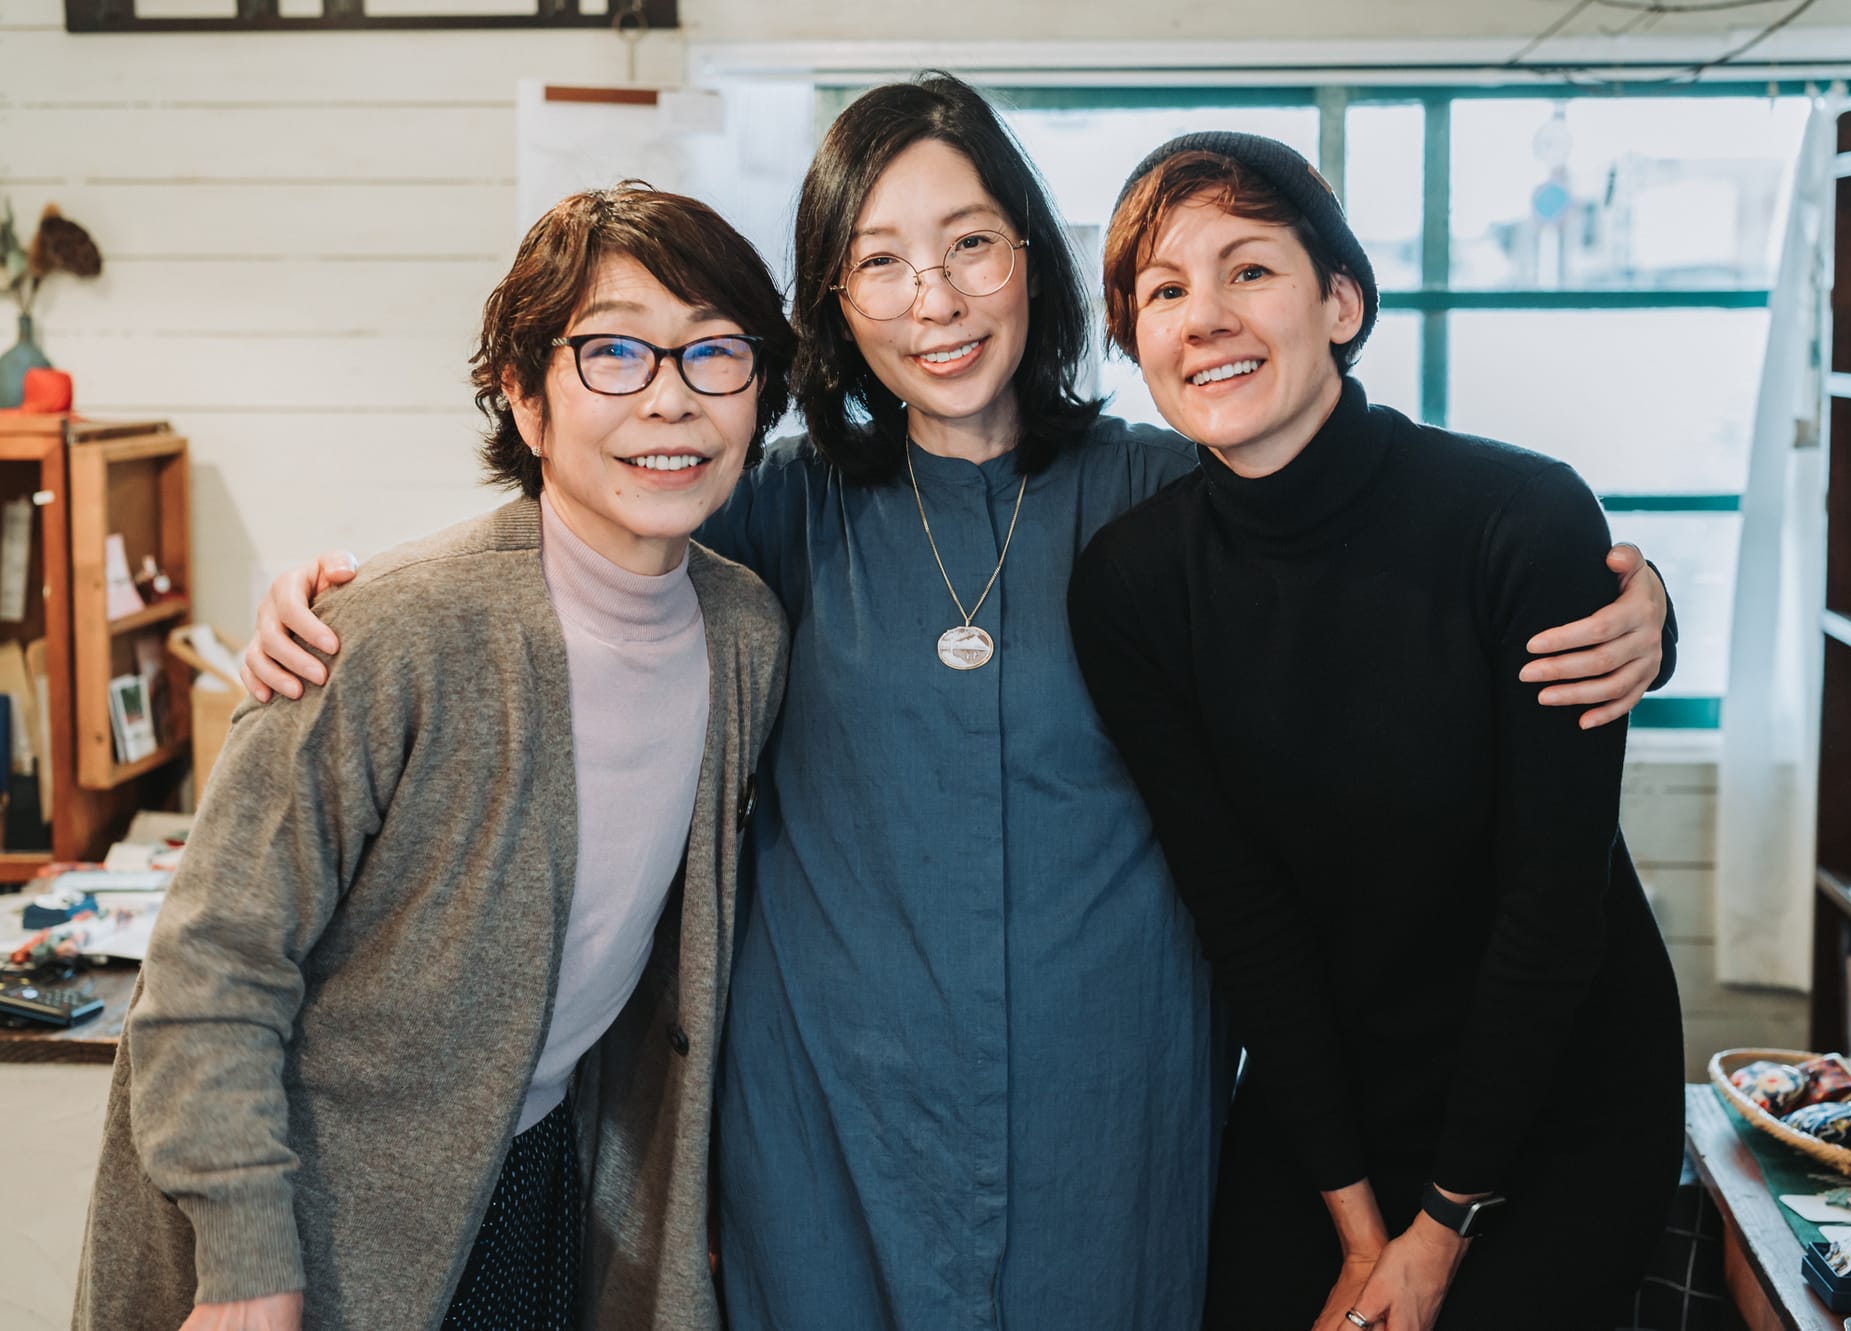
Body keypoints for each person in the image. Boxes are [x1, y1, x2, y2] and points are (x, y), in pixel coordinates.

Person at [240, 77, 1677, 1331]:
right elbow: (579, 539)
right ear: (834, 303)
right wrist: (344, 597)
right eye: (880, 261)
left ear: (1032, 267)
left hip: (1112, 1119)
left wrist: (1635, 604)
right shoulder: (776, 512)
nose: (934, 298)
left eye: (971, 244)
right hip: (828, 1125)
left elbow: (1367, 538)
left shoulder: (1163, 494)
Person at [73, 185, 792, 1331]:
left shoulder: (746, 630)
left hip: (535, 1171)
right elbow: (211, 970)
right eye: (612, 351)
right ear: (523, 393)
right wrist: (247, 1260)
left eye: (715, 352)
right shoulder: (386, 635)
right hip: (305, 1208)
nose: (671, 397)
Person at [1069, 133, 1685, 1331]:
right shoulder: (1132, 584)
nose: (1203, 317)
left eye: (1248, 270)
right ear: (1136, 342)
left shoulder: (1518, 516)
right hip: (1329, 1100)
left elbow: (1551, 911)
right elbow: (1238, 911)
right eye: (1161, 290)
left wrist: (1437, 1230)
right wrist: (1360, 1224)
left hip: (1559, 1078)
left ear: (1339, 300)